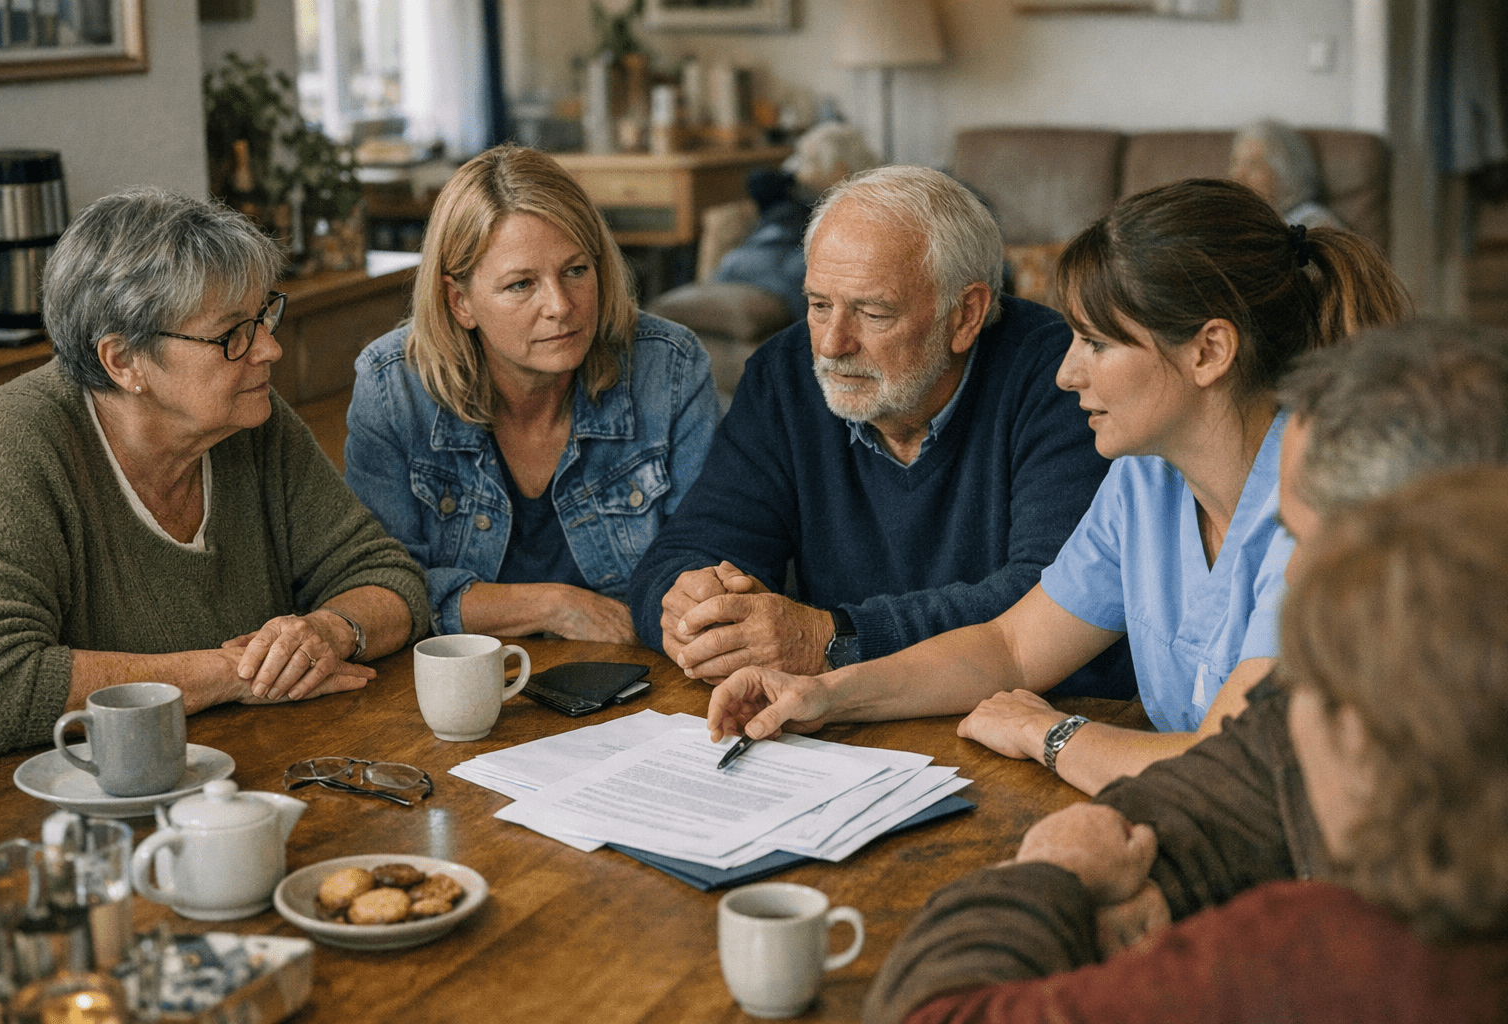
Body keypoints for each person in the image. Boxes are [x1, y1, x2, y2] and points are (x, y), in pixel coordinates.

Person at [861, 319, 1508, 1023]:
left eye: (1301, 539)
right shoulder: (1388, 701)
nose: (1288, 570)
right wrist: (1151, 877)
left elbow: (931, 1014)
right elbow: (1237, 782)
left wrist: (1053, 874)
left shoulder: (1347, 956)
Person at [706, 178, 1410, 796]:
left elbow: (1229, 769)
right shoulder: (1147, 479)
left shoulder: (1329, 506)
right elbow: (1010, 647)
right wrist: (825, 695)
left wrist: (1052, 734)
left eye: (1098, 344)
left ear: (1209, 352)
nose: (1067, 372)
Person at [631, 165, 1133, 699]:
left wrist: (832, 638)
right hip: (837, 724)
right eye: (819, 305)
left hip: (1029, 717)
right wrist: (694, 601)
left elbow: (1053, 607)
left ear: (965, 315)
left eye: (872, 312)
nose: (830, 344)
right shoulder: (785, 375)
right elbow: (688, 548)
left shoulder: (1065, 379)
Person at [0, 188, 431, 765]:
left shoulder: (251, 422)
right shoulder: (13, 444)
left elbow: (390, 578)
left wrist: (329, 631)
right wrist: (230, 672)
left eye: (264, 316)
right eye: (231, 334)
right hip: (72, 807)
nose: (269, 348)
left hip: (258, 768)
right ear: (123, 361)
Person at [344, 145, 719, 643]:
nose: (561, 306)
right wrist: (554, 606)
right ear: (460, 302)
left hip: (639, 677)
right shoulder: (393, 386)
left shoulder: (669, 367)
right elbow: (381, 589)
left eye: (577, 270)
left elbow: (705, 560)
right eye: (521, 284)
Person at [709, 121, 879, 321]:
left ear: (840, 171)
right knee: (734, 262)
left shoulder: (857, 202)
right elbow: (758, 180)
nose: (800, 170)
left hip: (794, 256)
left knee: (791, 271)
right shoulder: (797, 191)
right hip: (774, 245)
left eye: (809, 162)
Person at [1228, 119, 1345, 229]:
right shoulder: (1233, 218)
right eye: (1235, 163)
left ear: (1285, 174)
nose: (1238, 175)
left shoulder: (1313, 221)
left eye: (1254, 165)